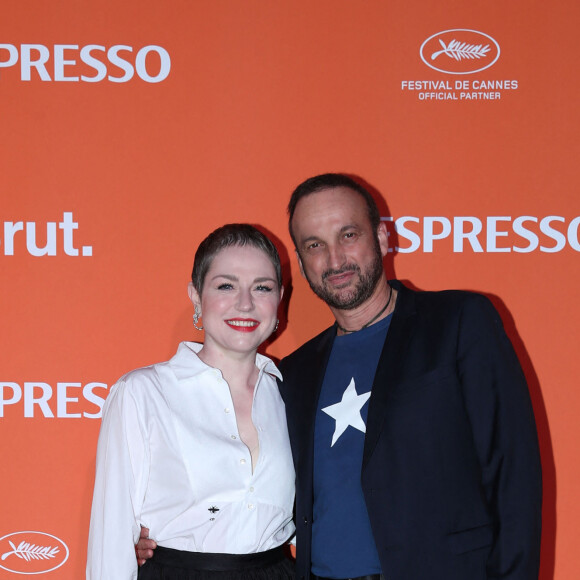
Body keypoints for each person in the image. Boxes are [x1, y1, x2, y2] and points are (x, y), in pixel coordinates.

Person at [138, 174, 542, 580]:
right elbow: (259, 493)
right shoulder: (290, 374)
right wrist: (168, 539)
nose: (334, 259)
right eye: (315, 245)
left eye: (348, 235)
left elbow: (513, 475)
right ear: (300, 261)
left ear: (382, 239)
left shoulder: (457, 323)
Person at [87, 224, 295, 580]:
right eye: (226, 286)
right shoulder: (143, 393)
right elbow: (111, 543)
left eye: (262, 287)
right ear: (197, 297)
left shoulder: (293, 393)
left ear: (279, 299)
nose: (245, 303)